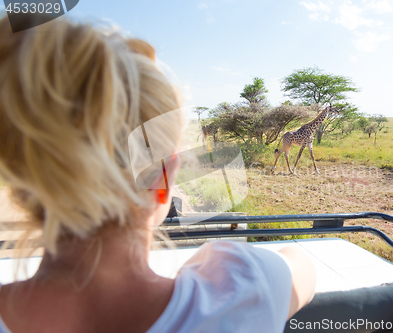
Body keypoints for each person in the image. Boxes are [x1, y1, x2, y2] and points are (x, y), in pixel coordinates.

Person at [0, 15, 316, 333]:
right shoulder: (241, 288)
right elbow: (302, 267)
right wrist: (214, 267)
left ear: (20, 183)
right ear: (163, 182)